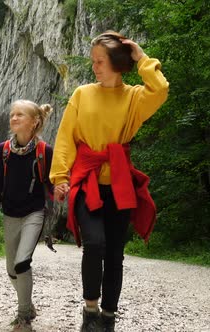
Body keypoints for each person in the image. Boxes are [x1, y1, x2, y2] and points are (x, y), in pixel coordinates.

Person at [50, 31, 169, 332]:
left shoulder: (133, 98)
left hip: (119, 183)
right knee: (94, 243)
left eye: (100, 61)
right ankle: (90, 311)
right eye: (93, 61)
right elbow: (66, 138)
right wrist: (60, 177)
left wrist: (141, 59)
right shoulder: (81, 94)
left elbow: (160, 89)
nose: (95, 67)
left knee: (115, 253)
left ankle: (108, 317)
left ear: (116, 62)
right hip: (87, 180)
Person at [0, 99, 54, 332]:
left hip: (34, 213)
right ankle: (29, 305)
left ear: (34, 122)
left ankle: (24, 317)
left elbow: (52, 185)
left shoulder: (45, 152)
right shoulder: (3, 150)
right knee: (11, 270)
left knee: (22, 262)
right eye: (12, 114)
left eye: (20, 115)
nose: (13, 118)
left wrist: (63, 189)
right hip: (10, 214)